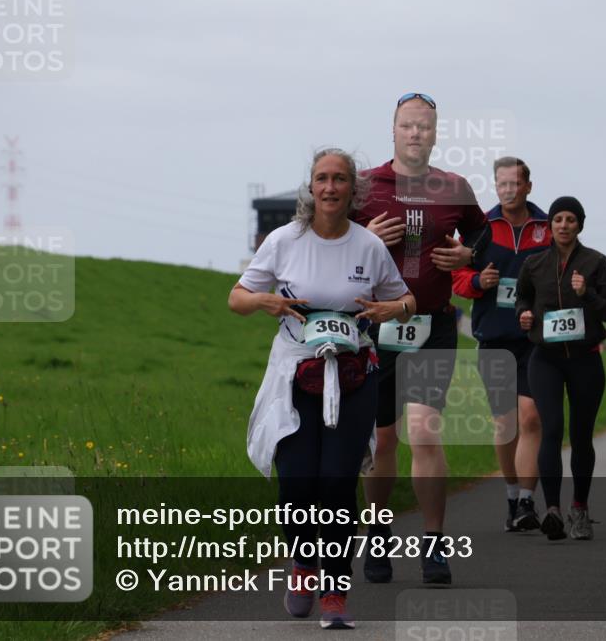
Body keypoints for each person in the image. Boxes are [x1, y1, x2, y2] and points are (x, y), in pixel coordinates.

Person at [231, 149, 415, 629]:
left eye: (339, 179)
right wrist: (264, 300)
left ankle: (335, 589)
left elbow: (406, 300)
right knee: (297, 483)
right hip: (294, 374)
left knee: (336, 483)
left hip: (354, 377)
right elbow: (236, 298)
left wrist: (390, 311)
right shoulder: (284, 240)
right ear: (310, 187)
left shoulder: (368, 246)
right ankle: (302, 568)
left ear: (353, 189)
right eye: (321, 179)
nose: (330, 187)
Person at [352, 93, 488, 585]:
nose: (415, 134)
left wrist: (467, 257)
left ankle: (433, 542)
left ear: (435, 133)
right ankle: (379, 533)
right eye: (407, 126)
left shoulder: (454, 187)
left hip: (433, 324)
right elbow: (332, 240)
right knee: (383, 438)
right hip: (375, 325)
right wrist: (364, 234)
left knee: (425, 431)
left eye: (424, 127)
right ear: (393, 130)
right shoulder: (366, 186)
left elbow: (483, 236)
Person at [452, 156, 550, 531]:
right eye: (502, 184)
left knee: (531, 417)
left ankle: (527, 501)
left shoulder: (546, 226)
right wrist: (478, 283)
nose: (508, 190)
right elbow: (455, 274)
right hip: (493, 338)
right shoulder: (481, 228)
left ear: (528, 186)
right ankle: (511, 496)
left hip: (534, 339)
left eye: (515, 184)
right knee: (505, 423)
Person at [515, 196, 606, 540]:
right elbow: (522, 298)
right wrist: (525, 315)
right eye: (558, 219)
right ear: (549, 225)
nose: (564, 225)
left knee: (580, 435)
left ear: (580, 225)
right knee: (551, 429)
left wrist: (587, 292)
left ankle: (579, 508)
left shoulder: (596, 262)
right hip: (545, 358)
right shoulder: (534, 264)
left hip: (585, 359)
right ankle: (552, 511)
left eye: (570, 219)